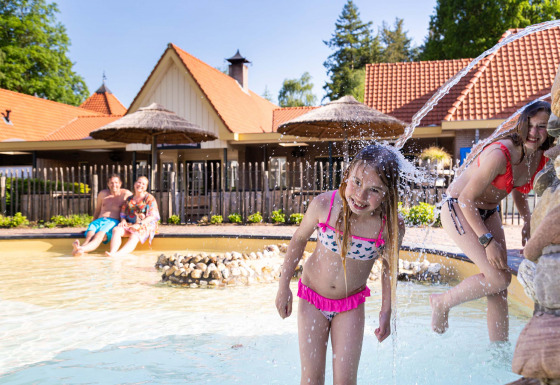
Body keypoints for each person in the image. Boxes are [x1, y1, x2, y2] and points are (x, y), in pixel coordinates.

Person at [275, 145, 405, 385]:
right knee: (312, 379)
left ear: (388, 192)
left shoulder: (389, 226)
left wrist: (386, 311)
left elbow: (389, 268)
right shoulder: (325, 205)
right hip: (312, 298)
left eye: (373, 190)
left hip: (350, 305)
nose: (360, 196)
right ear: (347, 176)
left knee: (345, 381)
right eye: (356, 182)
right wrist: (284, 287)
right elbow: (298, 240)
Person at [432, 100, 554, 342]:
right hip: (459, 208)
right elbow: (466, 198)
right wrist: (487, 241)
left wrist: (527, 220)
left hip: (488, 211)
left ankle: (498, 350)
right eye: (530, 125)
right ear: (522, 123)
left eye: (541, 127)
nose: (533, 132)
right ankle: (441, 302)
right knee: (498, 277)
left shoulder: (538, 157)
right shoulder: (500, 154)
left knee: (499, 286)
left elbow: (519, 188)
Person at [72, 174, 131, 256]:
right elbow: (97, 210)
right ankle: (80, 250)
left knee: (99, 235)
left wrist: (126, 221)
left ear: (120, 184)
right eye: (111, 183)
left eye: (116, 183)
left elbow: (134, 205)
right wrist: (92, 223)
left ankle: (80, 248)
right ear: (108, 184)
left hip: (112, 221)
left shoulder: (125, 194)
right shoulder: (102, 194)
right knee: (89, 235)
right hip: (99, 220)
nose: (114, 185)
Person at [105, 176, 160, 257]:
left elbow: (153, 216)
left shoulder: (149, 198)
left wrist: (139, 224)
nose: (140, 185)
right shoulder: (129, 199)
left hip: (146, 224)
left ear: (146, 187)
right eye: (139, 182)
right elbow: (123, 213)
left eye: (143, 184)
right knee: (116, 230)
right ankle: (112, 252)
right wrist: (123, 220)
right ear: (135, 184)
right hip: (132, 224)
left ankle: (118, 254)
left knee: (135, 234)